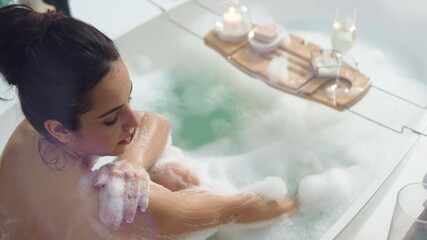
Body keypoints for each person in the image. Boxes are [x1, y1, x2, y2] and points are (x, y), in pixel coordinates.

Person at [0, 5, 297, 239]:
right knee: (177, 174)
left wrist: (131, 162)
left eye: (128, 99)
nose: (132, 119)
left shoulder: (31, 131)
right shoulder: (120, 211)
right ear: (60, 129)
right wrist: (301, 202)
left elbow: (153, 122)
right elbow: (240, 208)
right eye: (111, 118)